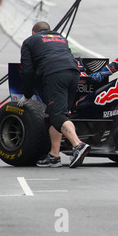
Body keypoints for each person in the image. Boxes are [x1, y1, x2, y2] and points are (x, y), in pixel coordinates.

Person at [19, 21, 90, 168]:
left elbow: (26, 70)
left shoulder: (29, 41)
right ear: (49, 31)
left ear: (34, 33)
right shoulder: (60, 38)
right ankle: (54, 155)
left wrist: (27, 93)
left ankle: (78, 145)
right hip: (74, 74)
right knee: (52, 115)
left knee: (57, 115)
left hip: (55, 74)